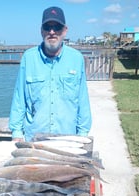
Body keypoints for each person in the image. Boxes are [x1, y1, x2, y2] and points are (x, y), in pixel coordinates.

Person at [9, 6, 92, 142]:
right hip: (34, 139)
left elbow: (82, 99)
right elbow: (19, 98)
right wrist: (17, 132)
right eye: (47, 27)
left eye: (57, 27)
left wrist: (83, 133)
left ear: (65, 30)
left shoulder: (76, 58)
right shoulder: (28, 58)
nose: (52, 32)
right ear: (41, 30)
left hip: (68, 139)